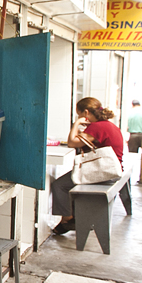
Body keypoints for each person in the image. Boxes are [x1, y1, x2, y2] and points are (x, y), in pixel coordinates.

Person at [51, 97, 124, 235]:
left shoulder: (97, 127)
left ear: (85, 112)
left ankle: (67, 220)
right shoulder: (108, 125)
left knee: (59, 185)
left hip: (105, 172)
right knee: (72, 181)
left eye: (79, 114)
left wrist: (76, 123)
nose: (79, 117)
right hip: (112, 168)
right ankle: (70, 219)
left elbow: (72, 143)